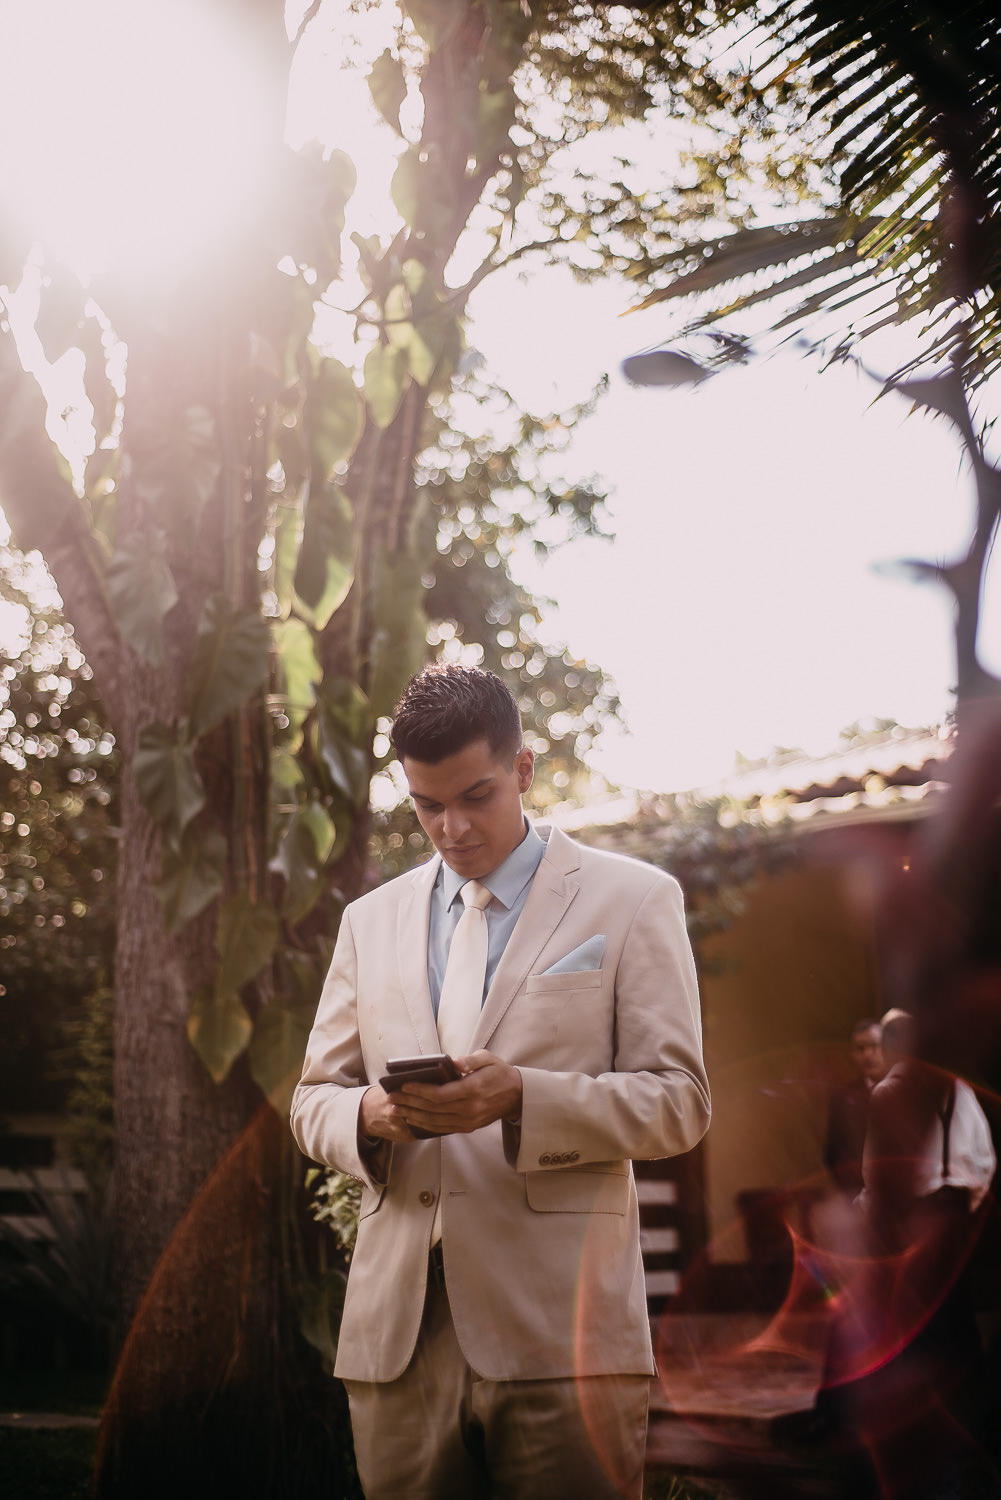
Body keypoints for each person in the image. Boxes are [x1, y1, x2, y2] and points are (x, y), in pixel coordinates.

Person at [290, 663, 710, 1500]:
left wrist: (523, 1094)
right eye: (425, 804)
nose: (450, 828)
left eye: (474, 796)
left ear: (522, 769)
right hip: (397, 1342)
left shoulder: (632, 900)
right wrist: (370, 1114)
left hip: (563, 1335)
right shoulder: (367, 923)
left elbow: (680, 1102)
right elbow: (312, 1101)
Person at [823, 1016, 886, 1198]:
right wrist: (852, 1195)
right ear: (852, 1054)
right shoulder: (842, 1097)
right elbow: (833, 1155)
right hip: (858, 1200)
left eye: (874, 1046)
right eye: (860, 1049)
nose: (868, 1054)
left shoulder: (904, 1091)